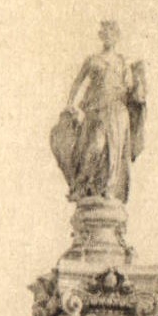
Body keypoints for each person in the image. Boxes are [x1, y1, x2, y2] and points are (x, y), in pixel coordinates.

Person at [52, 21, 146, 203]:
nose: (108, 36)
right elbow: (78, 82)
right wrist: (70, 103)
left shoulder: (122, 63)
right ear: (101, 36)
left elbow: (131, 90)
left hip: (117, 111)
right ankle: (81, 184)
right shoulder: (93, 60)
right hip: (97, 111)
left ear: (116, 37)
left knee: (115, 152)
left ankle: (109, 188)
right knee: (96, 145)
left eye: (112, 33)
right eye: (105, 33)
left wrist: (138, 86)